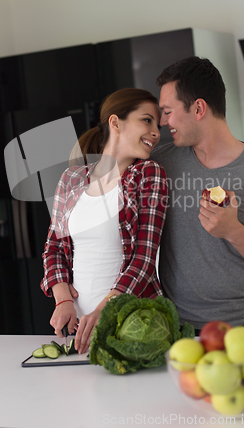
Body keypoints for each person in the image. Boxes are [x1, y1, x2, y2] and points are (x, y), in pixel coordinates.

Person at [151, 56, 244, 335]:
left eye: (168, 111)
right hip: (176, 330)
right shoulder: (158, 165)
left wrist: (234, 231)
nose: (162, 121)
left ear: (198, 108)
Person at [41, 88, 168, 353]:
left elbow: (143, 261)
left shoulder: (147, 174)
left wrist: (103, 311)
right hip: (76, 332)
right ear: (115, 122)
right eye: (147, 120)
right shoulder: (71, 179)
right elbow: (53, 247)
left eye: (158, 124)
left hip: (133, 325)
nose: (156, 132)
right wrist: (62, 299)